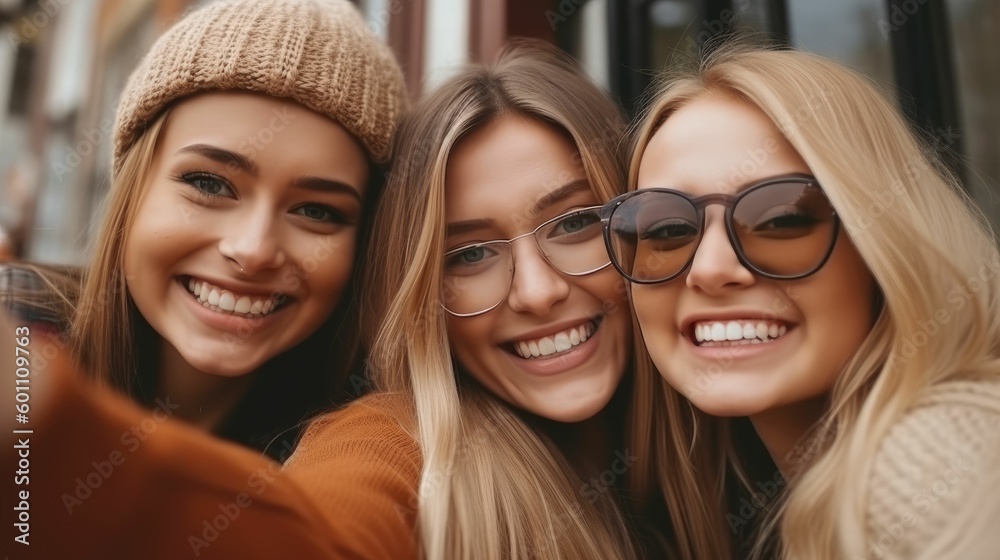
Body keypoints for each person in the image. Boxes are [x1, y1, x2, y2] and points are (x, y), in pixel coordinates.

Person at [6, 42, 700, 560]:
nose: (541, 291)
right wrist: (49, 432)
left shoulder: (728, 430)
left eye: (575, 224)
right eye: (469, 254)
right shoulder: (396, 435)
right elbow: (326, 532)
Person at [600, 42, 1000, 559]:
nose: (712, 270)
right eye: (667, 227)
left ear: (885, 244)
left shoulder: (938, 457)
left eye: (781, 219)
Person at [0, 0, 406, 457]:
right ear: (133, 189)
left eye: (316, 211)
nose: (253, 249)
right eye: (208, 183)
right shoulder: (18, 331)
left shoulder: (372, 439)